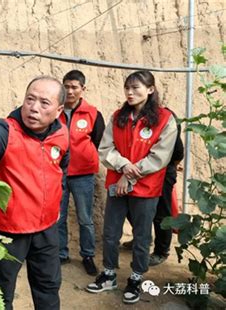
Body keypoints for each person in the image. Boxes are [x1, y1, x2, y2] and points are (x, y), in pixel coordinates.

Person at [0, 76, 69, 310]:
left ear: (59, 110)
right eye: (30, 100)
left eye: (44, 103)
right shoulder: (6, 130)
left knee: (48, 285)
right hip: (9, 230)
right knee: (1, 292)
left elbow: (61, 170)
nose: (34, 108)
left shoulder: (62, 134)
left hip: (46, 228)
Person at [86, 70, 178, 304]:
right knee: (110, 233)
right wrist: (124, 165)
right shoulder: (118, 116)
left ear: (150, 89)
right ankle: (109, 275)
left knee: (141, 235)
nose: (130, 92)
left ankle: (136, 277)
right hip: (117, 184)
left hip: (146, 188)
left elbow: (160, 157)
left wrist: (130, 176)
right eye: (127, 88)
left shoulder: (165, 119)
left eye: (136, 88)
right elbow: (105, 149)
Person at [57, 70, 105, 275]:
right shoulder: (54, 110)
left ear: (82, 89)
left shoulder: (92, 113)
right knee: (58, 217)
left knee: (85, 218)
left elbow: (99, 142)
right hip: (58, 172)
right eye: (66, 86)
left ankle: (87, 255)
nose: (70, 90)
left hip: (83, 175)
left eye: (74, 87)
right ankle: (60, 254)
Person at [121, 111, 184, 266]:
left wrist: (166, 169)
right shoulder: (133, 116)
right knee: (132, 207)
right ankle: (143, 238)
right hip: (138, 170)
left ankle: (161, 251)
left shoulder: (167, 118)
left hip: (162, 173)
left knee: (161, 213)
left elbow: (177, 153)